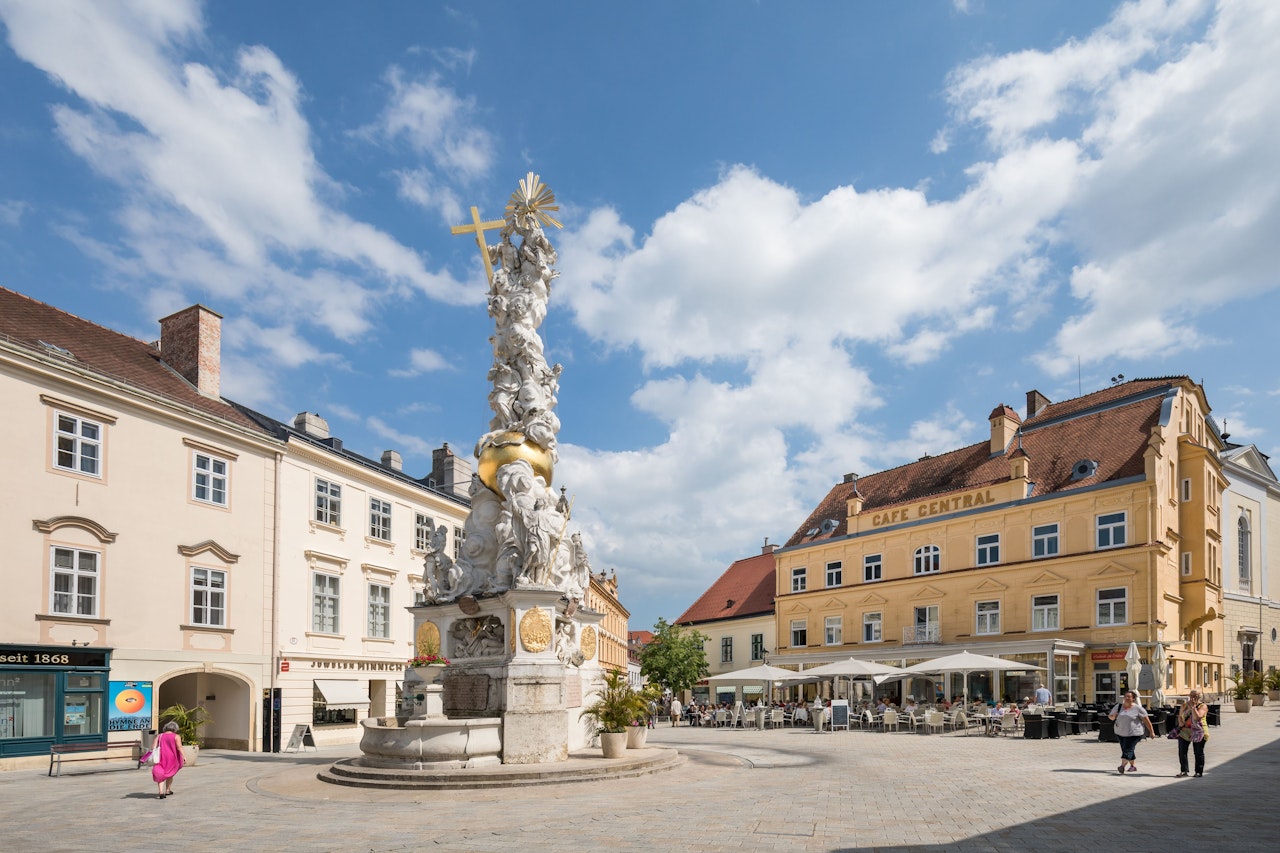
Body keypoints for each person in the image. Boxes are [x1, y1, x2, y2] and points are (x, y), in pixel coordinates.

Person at [1108, 691, 1156, 774]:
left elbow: (1147, 721)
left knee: (1128, 749)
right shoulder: (1118, 707)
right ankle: (1133, 766)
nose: (1126, 698)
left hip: (1134, 733)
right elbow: (1111, 717)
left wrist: (1152, 732)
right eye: (1125, 696)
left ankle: (1122, 766)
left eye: (1129, 697)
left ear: (1133, 699)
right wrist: (1113, 716)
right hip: (1120, 732)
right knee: (1127, 749)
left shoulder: (1138, 709)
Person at [1174, 690, 1209, 777]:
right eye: (1192, 695)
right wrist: (1181, 722)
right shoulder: (1184, 705)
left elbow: (1197, 717)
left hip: (1199, 731)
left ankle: (1198, 771)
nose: (1193, 697)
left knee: (1198, 752)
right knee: (1182, 751)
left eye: (1196, 695)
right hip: (1185, 731)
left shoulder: (1202, 706)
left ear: (1199, 696)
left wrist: (1193, 707)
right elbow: (1180, 715)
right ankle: (1184, 770)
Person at [151, 721, 185, 799]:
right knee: (170, 773)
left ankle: (161, 791)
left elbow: (153, 747)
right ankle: (168, 790)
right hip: (172, 758)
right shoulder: (176, 736)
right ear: (175, 729)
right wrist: (184, 756)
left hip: (161, 757)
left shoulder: (159, 736)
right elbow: (179, 747)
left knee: (160, 773)